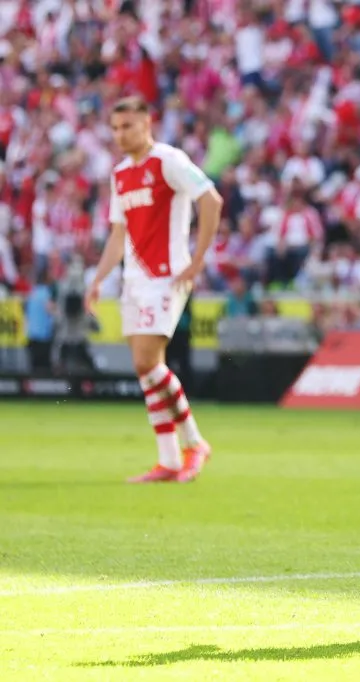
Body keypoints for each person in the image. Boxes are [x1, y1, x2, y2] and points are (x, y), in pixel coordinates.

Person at [86, 96, 224, 484]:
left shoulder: (169, 160)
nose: (120, 134)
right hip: (135, 279)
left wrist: (197, 260)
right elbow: (118, 233)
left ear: (148, 123)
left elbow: (211, 199)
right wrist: (98, 278)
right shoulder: (119, 174)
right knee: (145, 370)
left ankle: (195, 443)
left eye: (127, 126)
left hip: (167, 274)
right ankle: (168, 459)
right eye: (114, 128)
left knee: (148, 361)